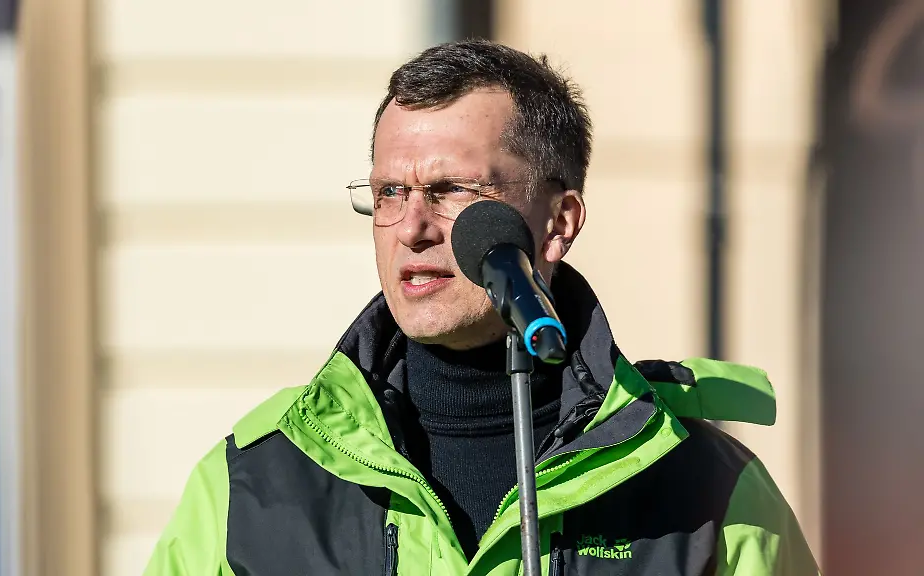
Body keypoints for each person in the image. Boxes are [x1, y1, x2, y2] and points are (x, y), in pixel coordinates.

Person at [144, 40, 820, 576]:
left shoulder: (706, 492)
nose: (412, 228)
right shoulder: (256, 479)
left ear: (559, 222)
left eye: (452, 190)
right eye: (388, 193)